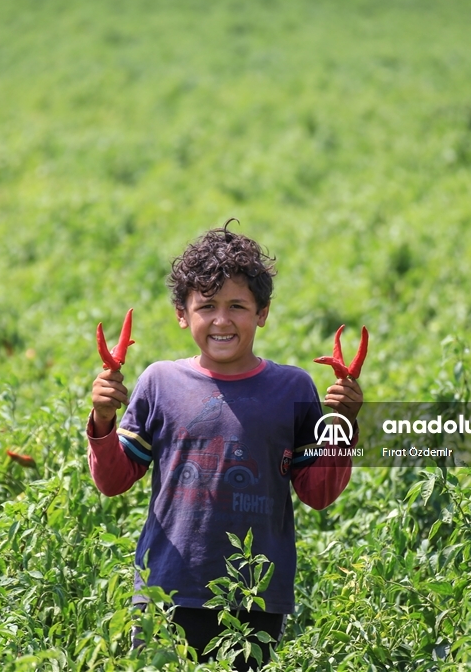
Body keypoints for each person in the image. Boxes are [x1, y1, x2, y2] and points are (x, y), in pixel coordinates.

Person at [87, 222, 363, 669]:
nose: (221, 320)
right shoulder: (160, 381)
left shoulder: (292, 387)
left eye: (237, 305)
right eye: (207, 306)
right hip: (166, 589)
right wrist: (102, 420)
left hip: (255, 595)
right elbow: (114, 480)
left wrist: (343, 424)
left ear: (262, 313)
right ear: (182, 313)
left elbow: (318, 493)